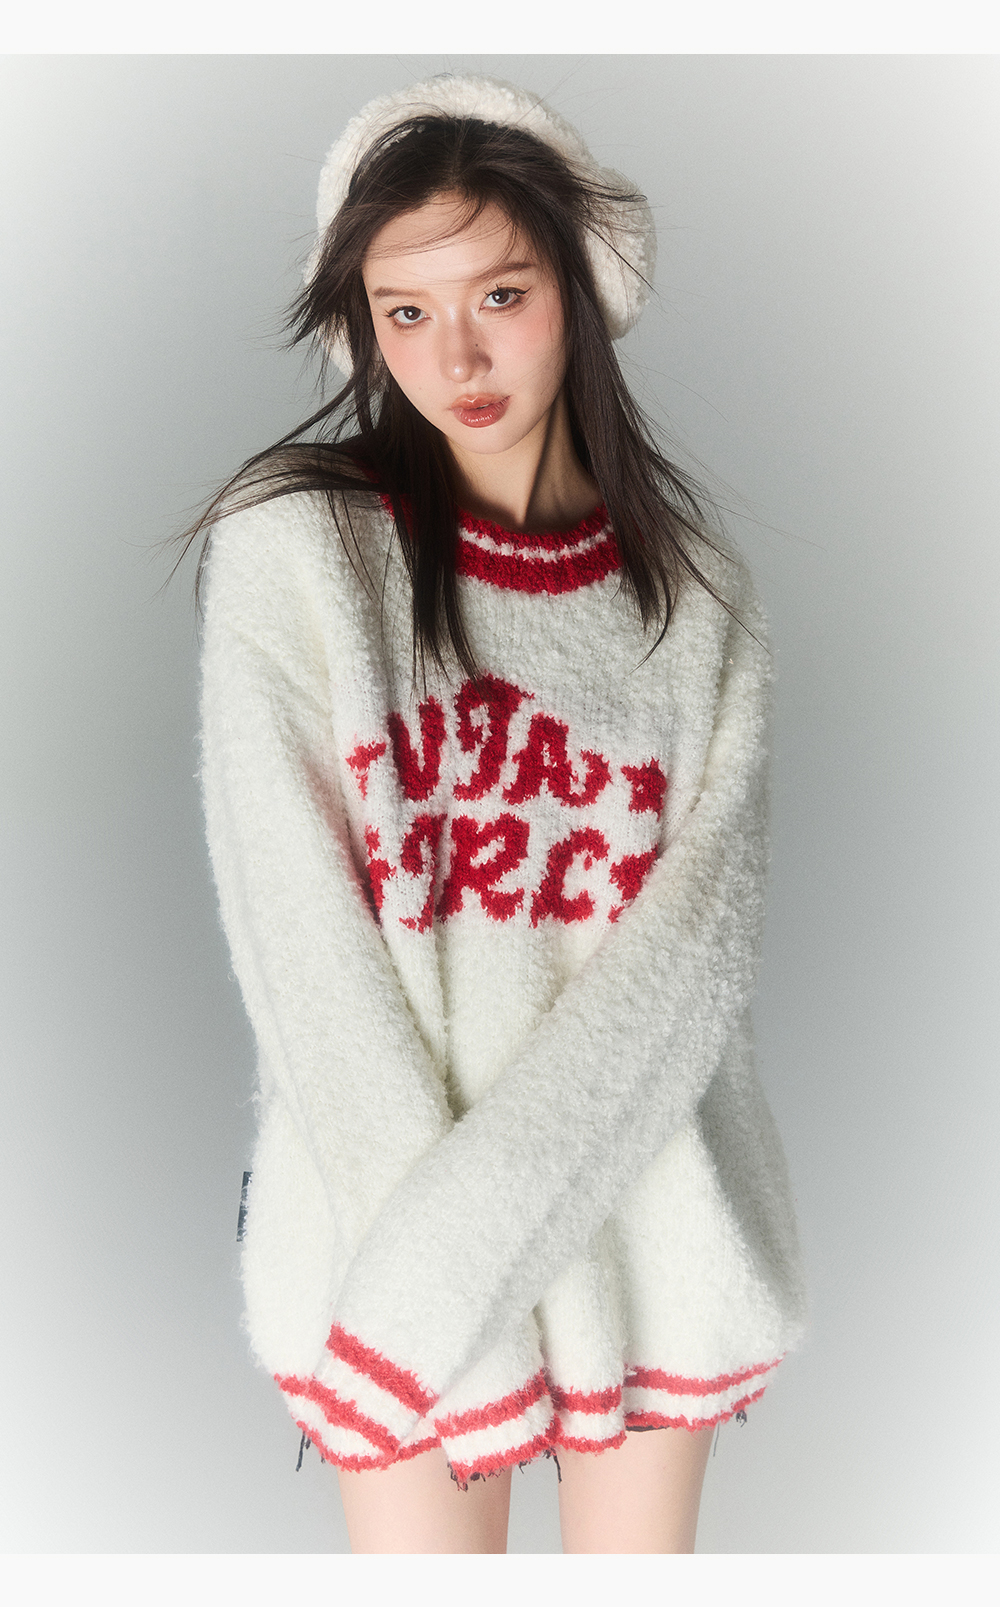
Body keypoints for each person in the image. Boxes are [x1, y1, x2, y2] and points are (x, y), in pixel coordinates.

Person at [186, 74, 807, 1554]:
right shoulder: (300, 551)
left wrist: (475, 1244)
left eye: (501, 295)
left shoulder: (700, 603)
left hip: (652, 1223)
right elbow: (301, 950)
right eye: (404, 311)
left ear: (583, 287)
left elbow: (688, 971)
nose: (453, 354)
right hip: (389, 1225)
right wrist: (434, 1296)